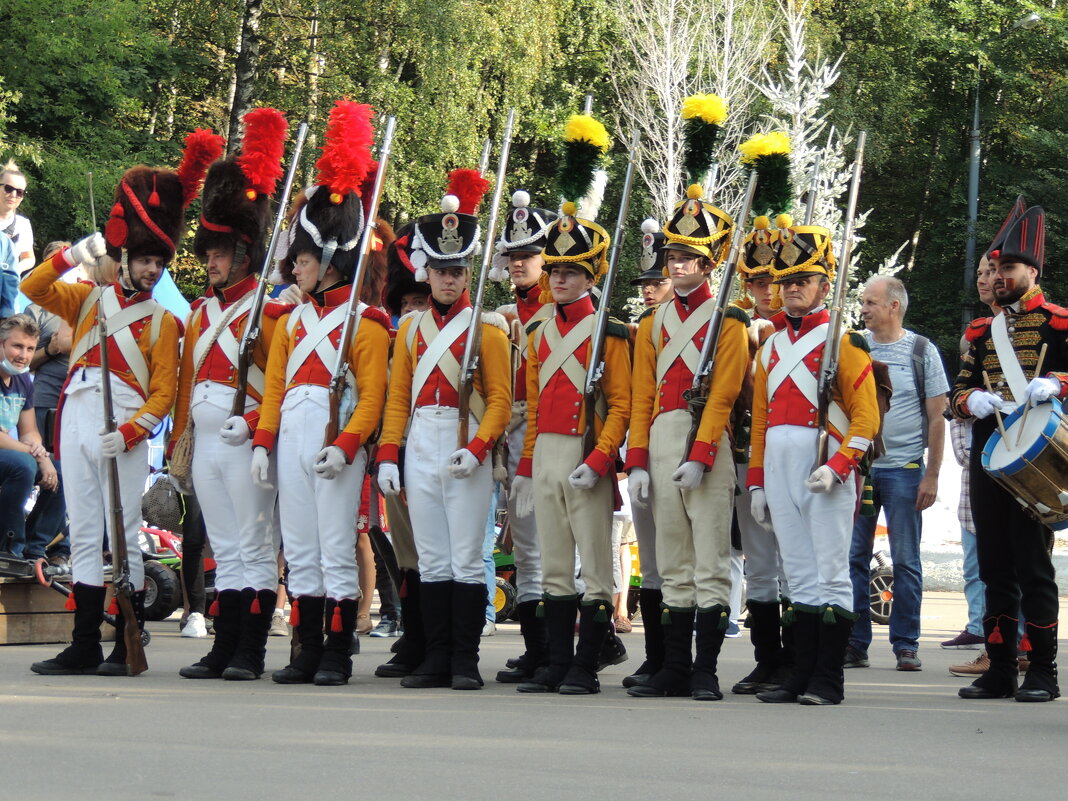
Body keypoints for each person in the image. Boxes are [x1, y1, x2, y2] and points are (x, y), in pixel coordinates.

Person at [24, 137, 205, 674]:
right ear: (125, 258)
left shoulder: (166, 321)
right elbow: (35, 285)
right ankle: (82, 642)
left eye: (158, 262)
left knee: (121, 534)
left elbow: (166, 393)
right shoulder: (85, 299)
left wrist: (131, 434)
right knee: (82, 529)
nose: (153, 270)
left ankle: (128, 634)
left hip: (122, 425)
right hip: (80, 413)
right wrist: (71, 255)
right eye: (146, 260)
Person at [254, 101, 390, 687]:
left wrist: (347, 443)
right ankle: (306, 648)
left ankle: (337, 649)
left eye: (303, 260)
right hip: (291, 437)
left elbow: (374, 397)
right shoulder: (288, 322)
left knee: (336, 547)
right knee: (301, 548)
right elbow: (276, 389)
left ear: (331, 261)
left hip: (337, 445)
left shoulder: (366, 323)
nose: (295, 268)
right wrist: (263, 441)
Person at [376, 168, 511, 691]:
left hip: (465, 443)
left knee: (463, 559)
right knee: (431, 558)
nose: (449, 280)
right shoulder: (409, 328)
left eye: (457, 271)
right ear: (425, 274)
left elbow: (499, 399)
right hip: (422, 439)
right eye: (441, 271)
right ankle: (434, 657)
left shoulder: (488, 330)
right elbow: (397, 399)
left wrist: (478, 449)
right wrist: (389, 454)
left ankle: (464, 659)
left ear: (467, 273)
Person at [173, 108, 289, 682]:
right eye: (207, 253)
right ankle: (223, 646)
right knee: (222, 545)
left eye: (219, 253)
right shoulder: (199, 313)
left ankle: (251, 651)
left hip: (245, 440)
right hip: (206, 441)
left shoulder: (267, 311)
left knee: (252, 543)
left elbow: (282, 382)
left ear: (243, 252)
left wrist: (258, 428)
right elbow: (186, 382)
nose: (210, 262)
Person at [510, 160, 632, 695]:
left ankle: (586, 665)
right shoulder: (536, 330)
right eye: (554, 270)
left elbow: (623, 405)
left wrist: (600, 459)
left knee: (596, 571)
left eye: (570, 272)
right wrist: (528, 465)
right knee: (555, 567)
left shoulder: (610, 332)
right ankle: (558, 663)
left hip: (587, 455)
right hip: (549, 454)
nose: (558, 279)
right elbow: (535, 404)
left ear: (590, 276)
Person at [748, 218, 879, 705]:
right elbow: (760, 421)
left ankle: (829, 678)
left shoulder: (843, 342)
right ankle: (800, 674)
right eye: (785, 282)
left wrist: (842, 465)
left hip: (825, 464)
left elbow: (866, 418)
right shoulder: (770, 346)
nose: (791, 290)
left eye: (802, 280)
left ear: (825, 285)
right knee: (799, 574)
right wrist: (758, 482)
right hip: (778, 465)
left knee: (830, 572)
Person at [625, 178, 747, 701]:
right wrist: (636, 460)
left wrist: (700, 455)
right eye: (673, 255)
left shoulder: (731, 320)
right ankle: (674, 667)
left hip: (707, 444)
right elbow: (639, 396)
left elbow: (722, 396)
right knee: (671, 562)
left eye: (688, 257)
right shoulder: (651, 322)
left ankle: (706, 670)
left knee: (710, 563)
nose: (677, 265)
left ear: (708, 263)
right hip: (659, 437)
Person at [950, 198, 1062, 702]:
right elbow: (959, 391)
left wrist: (1058, 383)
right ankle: (999, 669)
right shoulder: (980, 330)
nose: (997, 276)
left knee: (1033, 566)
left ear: (1032, 271)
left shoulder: (1060, 323)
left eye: (1007, 268)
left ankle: (1043, 670)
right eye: (993, 268)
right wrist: (969, 398)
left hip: (1035, 457)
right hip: (987, 456)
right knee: (995, 565)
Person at [845, 275, 948, 672]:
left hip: (906, 472)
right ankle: (855, 643)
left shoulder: (922, 350)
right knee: (854, 558)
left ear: (894, 306)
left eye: (870, 302)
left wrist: (932, 475)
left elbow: (937, 417)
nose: (863, 309)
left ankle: (906, 644)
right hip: (860, 471)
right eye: (862, 302)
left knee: (906, 561)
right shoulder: (853, 347)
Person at [489, 189, 556, 683]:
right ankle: (540, 650)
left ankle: (570, 648)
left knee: (557, 549)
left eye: (528, 254)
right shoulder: (515, 308)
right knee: (530, 548)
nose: (518, 263)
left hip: (555, 435)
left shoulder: (559, 309)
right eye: (513, 255)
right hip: (518, 433)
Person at [731, 213, 792, 694]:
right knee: (759, 560)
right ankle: (767, 658)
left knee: (796, 559)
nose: (766, 291)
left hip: (793, 455)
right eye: (757, 281)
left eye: (773, 280)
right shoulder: (733, 324)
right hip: (744, 450)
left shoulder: (802, 330)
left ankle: (799, 656)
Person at [622, 217, 669, 688]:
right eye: (647, 283)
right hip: (647, 447)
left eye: (658, 281)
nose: (650, 290)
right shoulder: (643, 330)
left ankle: (680, 660)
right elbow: (637, 398)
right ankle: (656, 656)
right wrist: (634, 456)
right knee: (652, 561)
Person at [943, 256, 998, 653]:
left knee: (1014, 569)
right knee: (977, 568)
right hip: (975, 493)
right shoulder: (963, 395)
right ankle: (984, 633)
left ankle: (1019, 645)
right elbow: (964, 450)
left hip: (1014, 486)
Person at [23, 241, 73, 568]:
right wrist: (53, 349)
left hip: (76, 402)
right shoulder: (34, 310)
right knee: (50, 470)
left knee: (70, 473)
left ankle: (62, 545)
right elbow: (26, 362)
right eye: (56, 259)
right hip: (43, 400)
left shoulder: (79, 302)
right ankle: (34, 544)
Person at [0, 314, 57, 557]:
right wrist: (36, 456)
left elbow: (29, 430)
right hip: (10, 456)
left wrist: (43, 458)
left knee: (60, 472)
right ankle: (8, 547)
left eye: (30, 348)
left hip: (8, 454)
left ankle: (34, 548)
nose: (24, 355)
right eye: (17, 346)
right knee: (23, 465)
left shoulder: (23, 380)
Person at [0, 160, 34, 275]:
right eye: (8, 189)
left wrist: (16, 269)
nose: (13, 195)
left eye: (19, 192)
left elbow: (29, 258)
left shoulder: (23, 224)